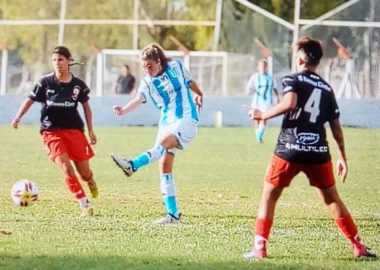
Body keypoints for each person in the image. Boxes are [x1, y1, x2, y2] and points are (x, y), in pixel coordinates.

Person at [244, 37, 376, 259]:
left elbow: (290, 103)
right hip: (318, 151)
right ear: (317, 61)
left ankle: (260, 248)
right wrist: (343, 157)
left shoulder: (291, 79)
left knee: (269, 195)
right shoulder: (326, 88)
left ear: (300, 59)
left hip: (289, 148)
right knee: (332, 198)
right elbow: (336, 128)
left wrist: (262, 116)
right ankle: (358, 246)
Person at [111, 43, 203, 225]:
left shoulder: (176, 66)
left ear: (159, 61)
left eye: (150, 66)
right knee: (164, 166)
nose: (147, 70)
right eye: (144, 67)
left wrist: (200, 94)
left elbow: (189, 82)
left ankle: (132, 165)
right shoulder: (147, 82)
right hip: (166, 122)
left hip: (186, 119)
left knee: (160, 147)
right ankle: (173, 215)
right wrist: (123, 110)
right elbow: (138, 99)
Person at [11, 46, 99, 217]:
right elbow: (30, 100)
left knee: (84, 172)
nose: (57, 63)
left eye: (60, 59)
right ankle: (84, 203)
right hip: (51, 132)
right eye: (54, 60)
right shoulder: (44, 83)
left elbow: (86, 106)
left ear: (68, 61)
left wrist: (91, 130)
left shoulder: (77, 85)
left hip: (74, 131)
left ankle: (90, 181)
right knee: (66, 168)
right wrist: (18, 117)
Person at [246, 59, 279, 143]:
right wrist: (248, 91)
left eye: (264, 66)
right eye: (261, 66)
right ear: (258, 67)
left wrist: (277, 97)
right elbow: (249, 86)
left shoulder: (270, 76)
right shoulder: (255, 76)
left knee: (264, 118)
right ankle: (258, 136)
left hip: (267, 101)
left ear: (266, 67)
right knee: (256, 119)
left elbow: (275, 88)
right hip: (257, 100)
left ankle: (259, 136)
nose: (262, 68)